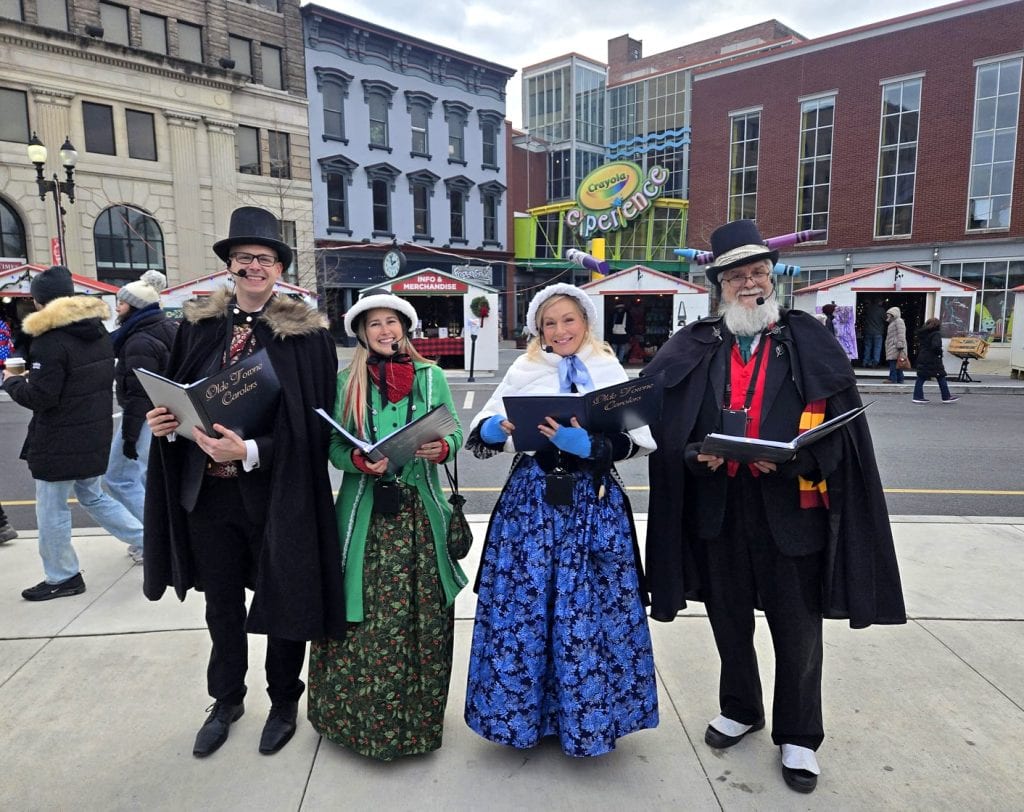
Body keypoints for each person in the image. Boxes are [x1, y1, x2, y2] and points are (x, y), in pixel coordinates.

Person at [643, 219, 906, 794]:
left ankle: (799, 734)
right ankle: (740, 708)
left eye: (759, 272)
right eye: (737, 275)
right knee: (728, 618)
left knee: (797, 630)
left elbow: (843, 433)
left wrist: (794, 461)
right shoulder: (694, 344)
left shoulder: (807, 339)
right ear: (719, 285)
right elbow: (660, 426)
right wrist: (693, 456)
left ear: (773, 277)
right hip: (719, 509)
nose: (750, 283)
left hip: (790, 509)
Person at [143, 207, 345, 759]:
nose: (253, 267)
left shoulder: (307, 338)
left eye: (264, 258)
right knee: (222, 605)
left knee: (285, 598)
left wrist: (251, 450)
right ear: (229, 266)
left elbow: (314, 428)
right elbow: (178, 396)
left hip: (278, 496)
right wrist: (165, 424)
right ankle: (226, 699)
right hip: (209, 495)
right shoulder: (198, 327)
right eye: (243, 258)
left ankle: (283, 702)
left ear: (280, 268)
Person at [464, 282, 659, 757]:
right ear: (539, 330)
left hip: (592, 503)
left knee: (588, 609)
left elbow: (639, 441)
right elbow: (481, 436)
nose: (559, 330)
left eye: (568, 319)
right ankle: (523, 717)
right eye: (549, 323)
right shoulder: (525, 368)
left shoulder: (607, 368)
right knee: (527, 607)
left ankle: (586, 720)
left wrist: (593, 446)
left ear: (585, 322)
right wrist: (493, 431)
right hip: (532, 503)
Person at [307, 293, 464, 762]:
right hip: (366, 517)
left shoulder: (432, 377)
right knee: (364, 623)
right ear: (362, 333)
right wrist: (357, 460)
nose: (384, 330)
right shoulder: (347, 382)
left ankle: (416, 727)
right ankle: (356, 725)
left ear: (404, 328)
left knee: (423, 620)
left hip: (420, 518)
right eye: (374, 323)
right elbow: (334, 446)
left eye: (391, 321)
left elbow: (454, 431)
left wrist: (443, 448)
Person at [2, 265, 144, 600]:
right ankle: (150, 541)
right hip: (93, 431)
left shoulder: (49, 341)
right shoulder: (96, 331)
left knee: (51, 508)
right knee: (92, 495)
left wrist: (13, 382)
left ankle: (62, 575)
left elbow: (42, 397)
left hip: (59, 437)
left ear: (40, 301)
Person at [104, 270, 178, 562]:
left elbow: (138, 395)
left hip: (146, 417)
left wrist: (129, 438)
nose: (117, 308)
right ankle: (159, 538)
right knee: (150, 479)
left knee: (119, 478)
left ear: (134, 307)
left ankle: (153, 540)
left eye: (122, 303)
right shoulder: (167, 327)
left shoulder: (138, 341)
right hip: (165, 413)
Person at [912, 317, 959, 404]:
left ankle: (917, 396)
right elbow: (936, 346)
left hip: (923, 357)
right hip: (933, 359)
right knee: (941, 376)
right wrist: (939, 353)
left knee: (921, 377)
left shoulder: (923, 334)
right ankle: (946, 396)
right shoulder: (936, 334)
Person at [885, 305, 908, 383]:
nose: (888, 315)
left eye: (889, 314)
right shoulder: (893, 322)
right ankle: (899, 379)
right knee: (896, 363)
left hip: (896, 346)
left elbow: (901, 333)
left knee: (894, 363)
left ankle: (893, 379)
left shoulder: (898, 321)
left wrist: (900, 344)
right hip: (893, 345)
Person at [862, 299, 886, 368]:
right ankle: (875, 362)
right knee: (877, 348)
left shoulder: (868, 309)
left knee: (867, 347)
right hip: (878, 332)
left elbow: (864, 319)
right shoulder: (882, 310)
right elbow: (886, 319)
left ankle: (865, 362)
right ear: (879, 302)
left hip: (868, 331)